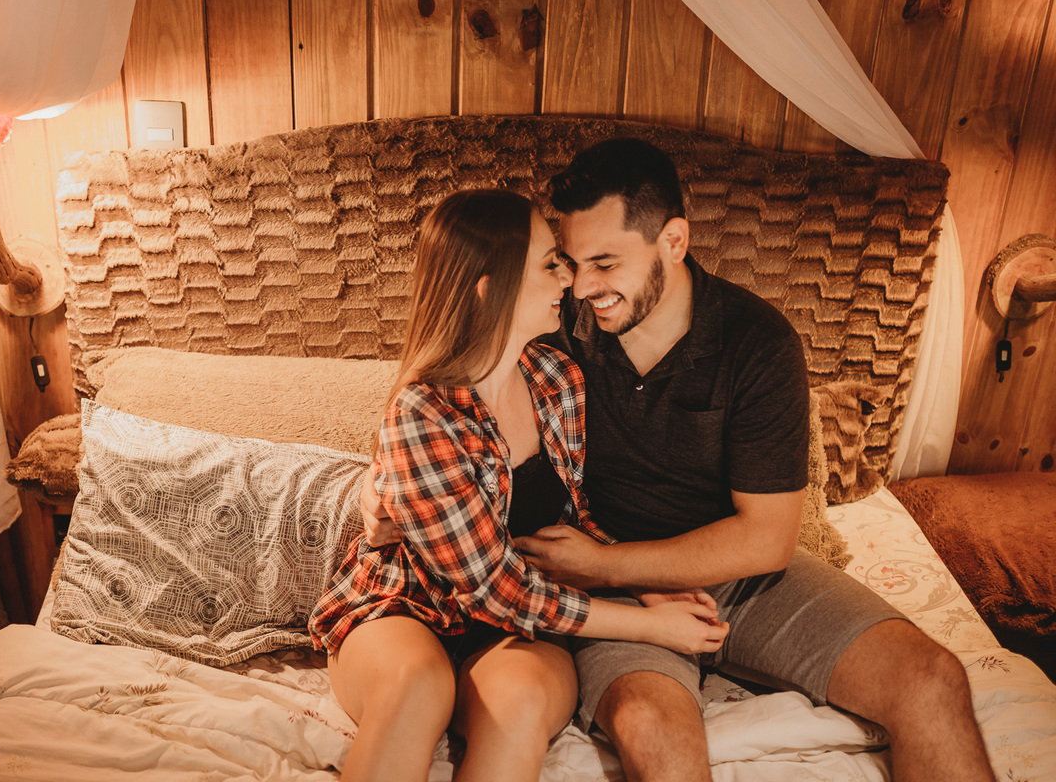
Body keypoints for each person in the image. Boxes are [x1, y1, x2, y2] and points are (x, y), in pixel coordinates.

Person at [364, 141, 995, 782]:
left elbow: (768, 540)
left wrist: (605, 564)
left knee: (932, 678)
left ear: (674, 239)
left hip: (730, 575)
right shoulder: (554, 329)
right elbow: (449, 380)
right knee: (655, 730)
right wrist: (381, 481)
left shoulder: (756, 342)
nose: (582, 287)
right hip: (609, 594)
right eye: (569, 262)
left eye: (605, 263)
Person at [308, 188, 729, 782]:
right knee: (416, 686)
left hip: (514, 632)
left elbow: (571, 517)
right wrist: (649, 624)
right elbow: (499, 589)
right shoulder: (423, 413)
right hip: (408, 608)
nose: (569, 277)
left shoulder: (555, 380)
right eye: (549, 263)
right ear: (489, 288)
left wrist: (646, 584)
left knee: (522, 701)